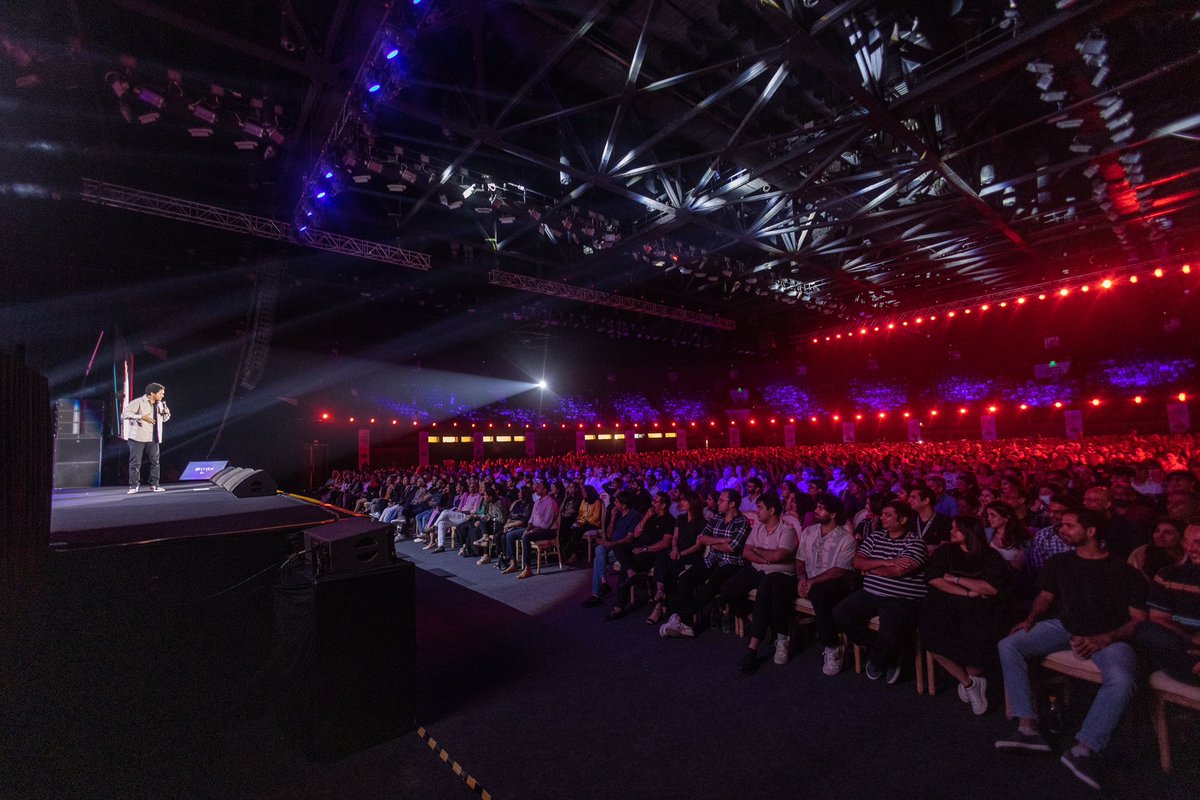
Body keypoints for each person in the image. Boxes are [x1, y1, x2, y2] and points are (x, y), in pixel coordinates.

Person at [995, 508, 1148, 791]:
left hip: (1108, 636)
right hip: (1064, 628)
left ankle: (1084, 748)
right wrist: (1030, 619)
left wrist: (1105, 638)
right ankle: (1028, 728)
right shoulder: (1060, 563)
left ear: (1091, 532)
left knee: (1124, 679)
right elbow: (1046, 596)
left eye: (1069, 525)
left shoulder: (1123, 571)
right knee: (1009, 645)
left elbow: (1138, 620)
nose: (1061, 529)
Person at [920, 515, 1013, 715]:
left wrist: (955, 578)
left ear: (970, 532)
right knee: (932, 641)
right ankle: (969, 684)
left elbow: (991, 588)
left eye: (957, 529)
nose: (951, 531)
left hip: (982, 612)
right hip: (947, 607)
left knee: (977, 654)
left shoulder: (990, 556)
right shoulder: (946, 551)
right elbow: (934, 579)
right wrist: (968, 592)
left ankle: (971, 678)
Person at [833, 499, 927, 683]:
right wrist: (886, 562)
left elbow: (899, 571)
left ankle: (881, 659)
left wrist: (872, 568)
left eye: (888, 515)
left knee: (890, 631)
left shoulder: (915, 543)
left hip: (901, 597)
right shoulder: (876, 537)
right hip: (871, 593)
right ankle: (889, 652)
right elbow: (857, 562)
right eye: (883, 514)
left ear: (903, 520)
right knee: (839, 614)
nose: (882, 517)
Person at [795, 494, 857, 676]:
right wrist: (801, 578)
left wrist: (811, 582)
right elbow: (800, 559)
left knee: (819, 594)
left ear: (833, 514)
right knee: (778, 582)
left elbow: (839, 570)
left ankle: (833, 647)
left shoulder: (846, 539)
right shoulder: (809, 532)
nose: (816, 511)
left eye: (821, 508)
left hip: (834, 584)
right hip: (809, 579)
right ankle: (782, 636)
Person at [1133, 521, 1200, 684]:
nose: (1190, 548)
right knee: (1145, 630)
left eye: (1198, 543)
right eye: (1187, 542)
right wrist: (1191, 639)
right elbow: (1159, 618)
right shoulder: (1168, 574)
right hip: (1182, 645)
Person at [120, 382, 170, 493]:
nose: (162, 395)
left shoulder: (160, 404)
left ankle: (154, 485)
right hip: (137, 437)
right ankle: (134, 486)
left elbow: (164, 419)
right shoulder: (138, 402)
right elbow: (124, 415)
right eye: (160, 393)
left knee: (155, 462)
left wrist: (166, 414)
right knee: (135, 463)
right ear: (152, 393)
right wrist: (141, 417)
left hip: (154, 437)